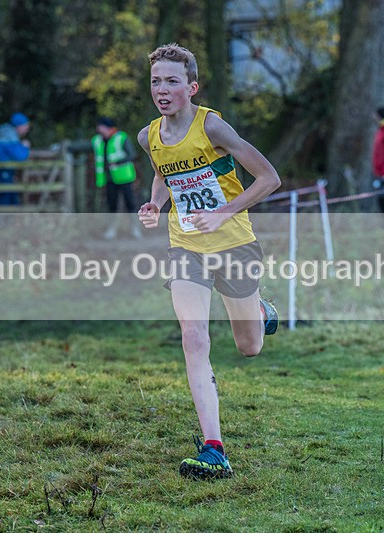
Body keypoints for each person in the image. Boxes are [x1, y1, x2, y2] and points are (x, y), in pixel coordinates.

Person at [137, 43, 281, 480]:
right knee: (194, 337)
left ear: (191, 87)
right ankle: (214, 448)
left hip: (234, 244)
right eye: (156, 81)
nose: (162, 89)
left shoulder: (212, 126)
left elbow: (269, 178)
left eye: (172, 81)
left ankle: (257, 310)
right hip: (186, 248)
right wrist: (155, 203)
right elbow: (166, 169)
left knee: (249, 346)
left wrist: (223, 212)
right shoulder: (148, 137)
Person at [91, 117, 140, 239]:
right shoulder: (97, 140)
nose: (98, 129)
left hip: (125, 177)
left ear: (107, 127)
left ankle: (135, 229)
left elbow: (132, 155)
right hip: (108, 178)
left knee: (130, 204)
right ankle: (111, 230)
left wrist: (117, 162)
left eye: (100, 126)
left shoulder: (121, 137)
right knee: (111, 205)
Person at [0, 112, 31, 206]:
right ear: (19, 126)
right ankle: (0, 221)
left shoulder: (8, 136)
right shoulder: (9, 138)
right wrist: (25, 147)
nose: (27, 129)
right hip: (3, 173)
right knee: (5, 202)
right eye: (25, 126)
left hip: (5, 173)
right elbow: (21, 157)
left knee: (12, 201)